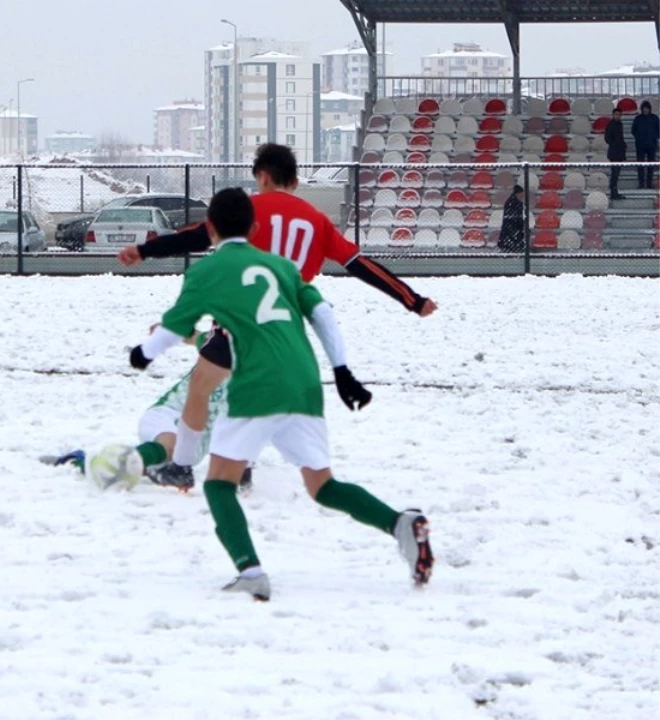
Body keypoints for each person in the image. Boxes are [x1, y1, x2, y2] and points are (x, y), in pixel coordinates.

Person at [123, 187, 433, 601]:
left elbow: (176, 326)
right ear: (253, 228)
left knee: (218, 484)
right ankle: (399, 524)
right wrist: (342, 371)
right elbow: (323, 314)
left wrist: (143, 353)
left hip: (256, 385)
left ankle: (249, 570)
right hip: (304, 383)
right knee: (323, 486)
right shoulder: (284, 268)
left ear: (210, 227)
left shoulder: (209, 270)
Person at [117, 144, 436, 483]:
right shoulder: (318, 221)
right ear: (296, 181)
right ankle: (242, 466)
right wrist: (411, 299)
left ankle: (183, 467)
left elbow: (195, 238)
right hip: (284, 332)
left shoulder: (248, 210)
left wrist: (144, 250)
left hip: (235, 323)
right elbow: (361, 265)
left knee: (205, 386)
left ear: (263, 176)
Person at [45, 329, 253, 493]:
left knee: (149, 466)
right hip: (167, 415)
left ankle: (140, 463)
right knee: (170, 446)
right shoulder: (226, 344)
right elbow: (196, 336)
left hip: (195, 443)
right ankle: (82, 461)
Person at [631, 100, 660, 190]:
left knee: (651, 165)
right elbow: (633, 131)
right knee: (640, 165)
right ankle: (641, 183)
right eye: (644, 108)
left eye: (647, 108)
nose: (645, 110)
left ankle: (649, 183)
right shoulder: (638, 119)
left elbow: (659, 130)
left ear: (649, 109)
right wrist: (639, 138)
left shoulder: (655, 118)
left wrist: (654, 137)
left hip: (652, 145)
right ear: (642, 109)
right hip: (640, 145)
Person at [497, 185, 526, 253]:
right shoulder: (514, 203)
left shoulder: (511, 202)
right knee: (513, 245)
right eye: (521, 193)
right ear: (517, 193)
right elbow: (514, 216)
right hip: (512, 228)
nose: (522, 195)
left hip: (511, 228)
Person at [606, 109, 627, 200]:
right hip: (614, 153)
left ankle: (615, 192)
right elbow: (607, 138)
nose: (617, 116)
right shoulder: (611, 125)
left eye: (619, 114)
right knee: (614, 174)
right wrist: (615, 144)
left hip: (619, 153)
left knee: (616, 174)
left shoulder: (620, 125)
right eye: (616, 114)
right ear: (613, 115)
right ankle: (613, 193)